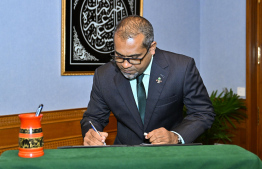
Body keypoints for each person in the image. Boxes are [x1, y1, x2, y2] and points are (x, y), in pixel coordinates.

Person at [80, 15, 215, 145]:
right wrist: (92, 133)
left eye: (134, 57)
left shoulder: (181, 68)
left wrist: (175, 137)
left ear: (152, 48)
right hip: (126, 157)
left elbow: (202, 112)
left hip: (170, 155)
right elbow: (93, 118)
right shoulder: (104, 75)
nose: (125, 65)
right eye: (119, 56)